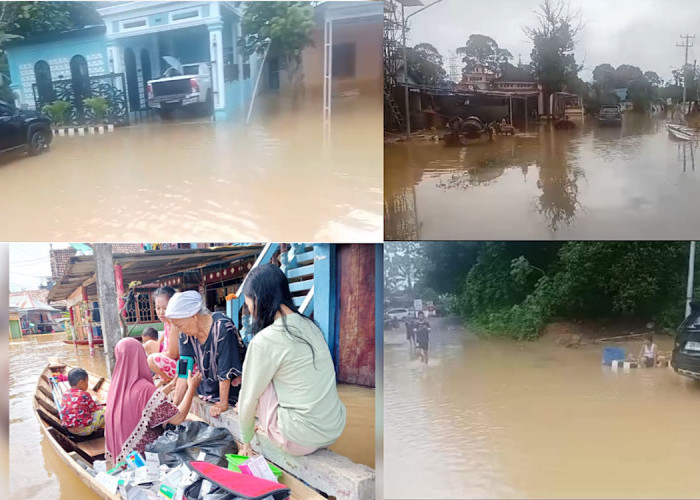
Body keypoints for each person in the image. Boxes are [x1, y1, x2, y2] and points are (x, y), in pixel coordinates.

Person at [236, 264, 346, 457]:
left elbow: (248, 398)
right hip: (333, 428)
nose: (250, 311)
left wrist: (246, 441)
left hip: (299, 438)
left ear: (258, 300)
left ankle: (273, 427)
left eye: (248, 304)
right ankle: (275, 423)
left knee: (255, 382)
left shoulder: (265, 340)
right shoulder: (311, 326)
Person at [105, 338, 201, 468]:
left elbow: (142, 404)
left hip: (121, 460)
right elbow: (178, 418)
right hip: (143, 461)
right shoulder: (144, 388)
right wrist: (191, 388)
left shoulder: (116, 386)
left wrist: (168, 387)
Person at [167, 291, 246, 418]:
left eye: (180, 325)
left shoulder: (222, 327)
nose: (180, 330)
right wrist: (174, 406)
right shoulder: (185, 335)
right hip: (208, 390)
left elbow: (225, 370)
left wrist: (223, 403)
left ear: (193, 316)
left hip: (234, 392)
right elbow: (183, 373)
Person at [147, 286, 180, 384]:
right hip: (174, 362)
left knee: (151, 360)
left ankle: (174, 382)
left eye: (165, 308)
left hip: (185, 368)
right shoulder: (167, 322)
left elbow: (173, 354)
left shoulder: (175, 323)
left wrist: (154, 356)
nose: (161, 312)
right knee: (149, 345)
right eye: (158, 308)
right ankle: (165, 379)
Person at [60, 368, 105, 437]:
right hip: (84, 430)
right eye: (87, 382)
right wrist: (103, 407)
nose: (87, 385)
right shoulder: (84, 394)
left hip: (69, 430)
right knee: (106, 411)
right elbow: (94, 409)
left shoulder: (66, 393)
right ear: (81, 382)